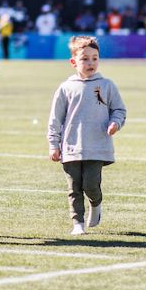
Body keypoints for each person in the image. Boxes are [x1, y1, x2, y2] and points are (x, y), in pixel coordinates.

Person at [47, 35, 128, 236]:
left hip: (97, 146)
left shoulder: (107, 85)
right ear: (73, 62)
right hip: (71, 147)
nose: (90, 63)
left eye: (94, 58)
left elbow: (119, 110)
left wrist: (115, 123)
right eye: (85, 59)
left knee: (91, 184)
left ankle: (96, 203)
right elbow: (55, 118)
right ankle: (77, 224)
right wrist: (53, 144)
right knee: (74, 187)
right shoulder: (66, 88)